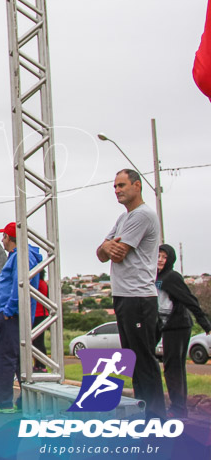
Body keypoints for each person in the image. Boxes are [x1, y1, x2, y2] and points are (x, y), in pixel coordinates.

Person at [96, 169, 165, 419]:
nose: (117, 190)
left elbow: (118, 252)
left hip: (139, 298)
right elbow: (102, 253)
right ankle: (146, 415)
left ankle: (156, 419)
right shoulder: (123, 218)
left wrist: (108, 245)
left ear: (137, 186)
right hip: (124, 296)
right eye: (114, 186)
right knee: (134, 361)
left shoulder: (143, 215)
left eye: (122, 185)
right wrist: (105, 245)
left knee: (144, 361)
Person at [0, 221, 41, 414]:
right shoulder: (19, 256)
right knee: (18, 361)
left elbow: (20, 285)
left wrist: (8, 310)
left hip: (12, 316)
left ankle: (3, 403)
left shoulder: (21, 256)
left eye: (4, 236)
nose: (2, 240)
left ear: (10, 238)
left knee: (3, 359)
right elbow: (13, 286)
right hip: (12, 314)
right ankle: (24, 402)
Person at [156, 244, 211, 418]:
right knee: (172, 367)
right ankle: (179, 408)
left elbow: (190, 299)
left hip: (178, 326)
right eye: (158, 256)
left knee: (173, 368)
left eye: (164, 257)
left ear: (170, 260)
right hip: (166, 326)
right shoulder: (155, 276)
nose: (160, 260)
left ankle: (178, 409)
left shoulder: (171, 277)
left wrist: (205, 324)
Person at [32, 269, 49, 371]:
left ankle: (41, 365)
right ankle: (39, 364)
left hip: (39, 314)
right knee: (37, 341)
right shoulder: (43, 283)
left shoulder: (38, 284)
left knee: (38, 342)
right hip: (40, 314)